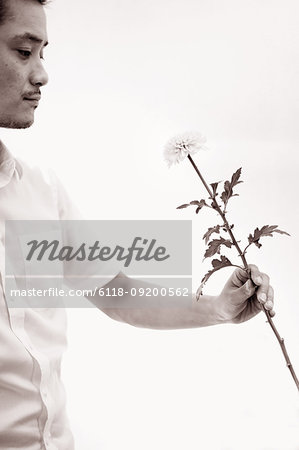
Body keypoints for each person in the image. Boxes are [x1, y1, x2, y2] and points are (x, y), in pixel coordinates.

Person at [0, 0, 275, 449]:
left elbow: (117, 292)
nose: (42, 74)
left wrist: (217, 308)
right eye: (24, 51)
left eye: (43, 52)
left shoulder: (41, 191)